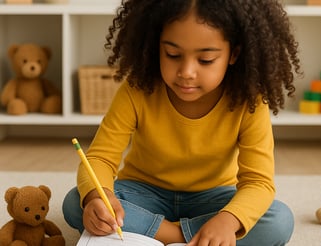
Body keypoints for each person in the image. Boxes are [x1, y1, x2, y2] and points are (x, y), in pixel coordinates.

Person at [63, 0, 302, 245]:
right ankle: (187, 237)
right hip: (143, 191)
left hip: (213, 197)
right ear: (156, 45)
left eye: (206, 59)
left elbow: (258, 182)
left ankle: (163, 233)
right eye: (173, 55)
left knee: (279, 220)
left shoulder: (249, 101)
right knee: (76, 202)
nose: (186, 71)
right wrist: (99, 195)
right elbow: (100, 158)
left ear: (234, 54)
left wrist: (228, 221)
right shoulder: (137, 89)